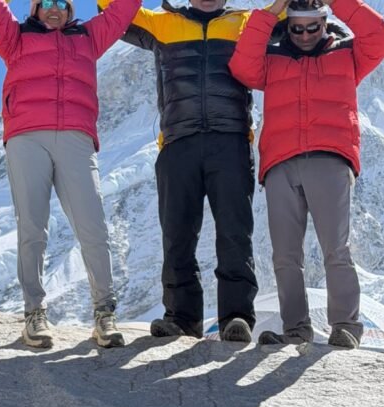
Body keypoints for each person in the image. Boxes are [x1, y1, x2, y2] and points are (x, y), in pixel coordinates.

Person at [0, 0, 140, 348]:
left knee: (94, 227)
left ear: (70, 10)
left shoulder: (89, 37)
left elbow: (124, 9)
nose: (54, 9)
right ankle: (34, 314)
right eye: (46, 2)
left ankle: (104, 314)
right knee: (32, 227)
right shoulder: (14, 37)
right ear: (35, 8)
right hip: (27, 136)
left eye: (62, 3)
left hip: (76, 138)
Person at [229, 0, 384, 348]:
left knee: (336, 248)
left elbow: (382, 36)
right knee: (285, 254)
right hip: (280, 162)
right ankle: (295, 329)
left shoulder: (349, 54)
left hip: (330, 159)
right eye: (296, 28)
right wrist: (272, 11)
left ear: (324, 22)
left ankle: (345, 326)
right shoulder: (271, 59)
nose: (304, 35)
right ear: (288, 26)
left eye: (312, 28)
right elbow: (242, 67)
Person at [99, 0, 262, 342]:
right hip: (178, 143)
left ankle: (236, 317)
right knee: (177, 235)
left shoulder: (246, 22)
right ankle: (182, 319)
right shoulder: (162, 23)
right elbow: (109, 8)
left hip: (230, 141)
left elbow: (292, 16)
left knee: (235, 232)